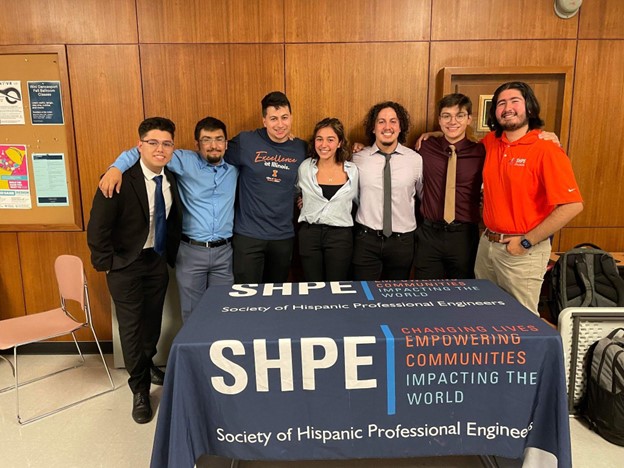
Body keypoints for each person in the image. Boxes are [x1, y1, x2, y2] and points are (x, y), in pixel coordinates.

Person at [87, 117, 183, 424]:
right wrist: (108, 265)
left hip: (155, 260)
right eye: (153, 142)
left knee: (152, 321)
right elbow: (98, 227)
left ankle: (148, 361)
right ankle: (139, 388)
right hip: (125, 265)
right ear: (139, 145)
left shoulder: (172, 179)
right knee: (130, 327)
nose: (160, 149)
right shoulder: (117, 179)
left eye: (166, 143)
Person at [97, 117, 237, 323]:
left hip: (224, 254)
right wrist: (116, 168)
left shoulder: (233, 170)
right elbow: (146, 151)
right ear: (197, 144)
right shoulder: (184, 160)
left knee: (224, 311)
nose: (213, 145)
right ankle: (193, 355)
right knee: (193, 314)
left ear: (226, 143)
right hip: (191, 252)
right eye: (206, 140)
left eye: (219, 139)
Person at [475, 81, 583, 315]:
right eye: (501, 103)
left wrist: (526, 242)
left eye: (515, 101)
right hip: (487, 247)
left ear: (530, 108)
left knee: (521, 322)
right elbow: (460, 143)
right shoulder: (491, 142)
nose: (507, 108)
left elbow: (572, 205)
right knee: (485, 315)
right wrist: (434, 133)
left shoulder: (546, 148)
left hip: (522, 251)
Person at [225, 91, 307, 284]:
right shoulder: (245, 142)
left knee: (275, 298)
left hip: (283, 236)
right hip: (248, 236)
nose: (280, 124)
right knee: (246, 298)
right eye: (273, 119)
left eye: (284, 118)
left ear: (291, 117)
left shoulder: (301, 148)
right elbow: (215, 154)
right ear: (264, 121)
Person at [415, 93, 484, 279]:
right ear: (439, 120)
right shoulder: (425, 147)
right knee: (425, 293)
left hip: (464, 236)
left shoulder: (481, 151)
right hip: (429, 234)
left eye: (459, 115)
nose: (452, 121)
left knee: (462, 295)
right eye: (446, 116)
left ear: (469, 119)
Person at [352, 101, 423, 280]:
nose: (387, 126)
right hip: (366, 240)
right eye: (381, 121)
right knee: (365, 297)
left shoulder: (415, 160)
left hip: (402, 242)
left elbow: (423, 196)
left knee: (396, 300)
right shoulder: (357, 158)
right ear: (373, 128)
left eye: (393, 121)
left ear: (401, 127)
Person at [296, 118, 358, 281]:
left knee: (336, 287)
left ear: (339, 143)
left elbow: (359, 199)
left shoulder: (353, 170)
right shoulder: (304, 167)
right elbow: (294, 192)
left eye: (330, 139)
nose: (324, 145)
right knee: (312, 287)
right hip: (310, 234)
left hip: (341, 236)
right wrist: (302, 200)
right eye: (319, 139)